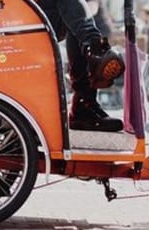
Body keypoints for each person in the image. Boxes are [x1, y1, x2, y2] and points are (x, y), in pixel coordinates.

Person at [38, 0, 125, 132]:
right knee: (76, 21)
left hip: (26, 14)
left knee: (74, 24)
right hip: (13, 16)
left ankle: (84, 103)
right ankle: (95, 49)